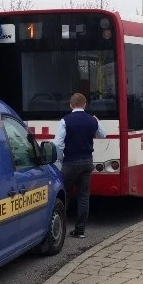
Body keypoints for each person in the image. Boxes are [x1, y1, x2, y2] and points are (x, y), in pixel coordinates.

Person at [53, 93, 106, 238]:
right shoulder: (91, 121)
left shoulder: (65, 121)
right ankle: (80, 231)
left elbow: (57, 143)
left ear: (70, 105)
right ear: (85, 105)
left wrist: (59, 159)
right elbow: (103, 134)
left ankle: (60, 229)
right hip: (87, 162)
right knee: (83, 197)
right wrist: (97, 120)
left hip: (70, 162)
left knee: (64, 195)